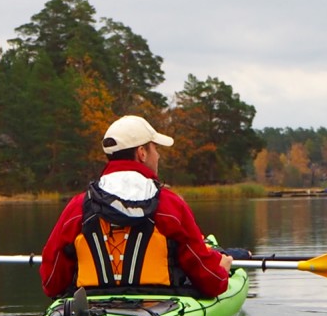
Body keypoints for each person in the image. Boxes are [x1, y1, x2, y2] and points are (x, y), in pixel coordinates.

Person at [40, 115, 234, 299]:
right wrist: (221, 270)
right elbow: (211, 282)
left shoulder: (78, 207)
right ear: (142, 153)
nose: (157, 156)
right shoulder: (170, 205)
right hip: (161, 310)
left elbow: (51, 283)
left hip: (93, 312)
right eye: (154, 149)